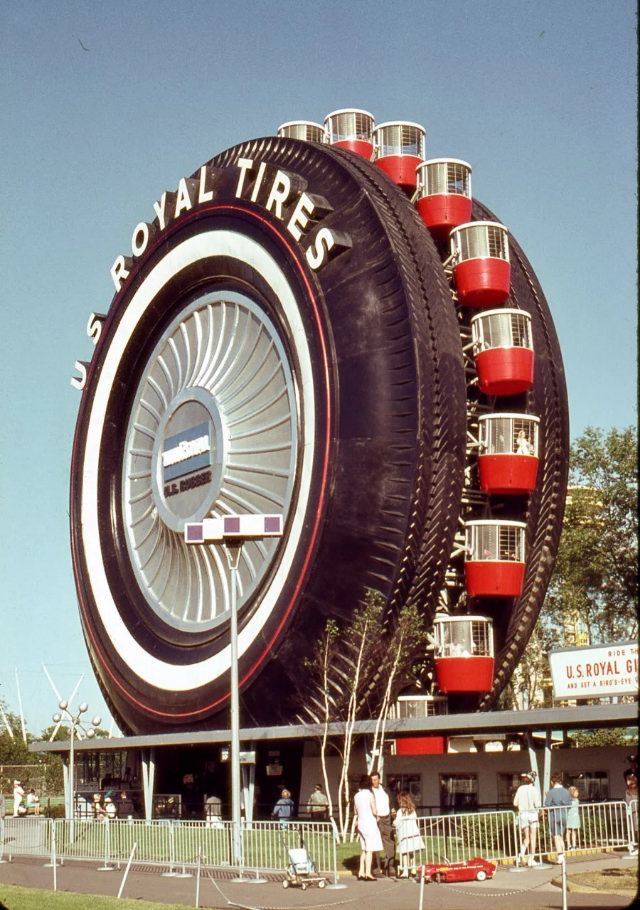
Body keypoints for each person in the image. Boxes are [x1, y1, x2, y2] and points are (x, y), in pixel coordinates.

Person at [354, 774, 382, 880]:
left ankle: (361, 872)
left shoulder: (356, 795)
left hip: (360, 823)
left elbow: (355, 811)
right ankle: (368, 873)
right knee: (370, 850)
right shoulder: (370, 795)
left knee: (364, 849)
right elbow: (374, 811)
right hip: (369, 823)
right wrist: (377, 816)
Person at [394, 792, 424, 878]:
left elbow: (402, 820)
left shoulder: (410, 811)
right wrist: (395, 822)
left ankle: (412, 868)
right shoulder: (401, 811)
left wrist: (398, 821)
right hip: (405, 835)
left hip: (410, 834)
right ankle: (406, 870)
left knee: (410, 852)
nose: (401, 804)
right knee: (406, 853)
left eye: (402, 802)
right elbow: (398, 821)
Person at [513, 771, 540, 866]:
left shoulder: (520, 789)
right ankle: (531, 859)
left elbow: (515, 803)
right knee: (533, 838)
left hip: (523, 814)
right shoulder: (534, 790)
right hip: (532, 814)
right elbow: (537, 804)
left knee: (526, 837)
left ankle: (521, 856)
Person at [371, 771, 395, 876]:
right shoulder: (370, 791)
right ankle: (376, 869)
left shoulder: (385, 790)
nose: (373, 782)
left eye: (375, 779)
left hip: (387, 818)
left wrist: (393, 809)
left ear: (379, 779)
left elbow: (392, 801)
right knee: (376, 844)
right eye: (372, 780)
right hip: (376, 819)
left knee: (390, 843)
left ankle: (390, 866)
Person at [544, 772, 572, 863]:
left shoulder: (551, 792)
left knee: (556, 836)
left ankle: (560, 856)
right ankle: (563, 855)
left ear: (552, 782)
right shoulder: (566, 791)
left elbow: (547, 805)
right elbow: (569, 804)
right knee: (561, 835)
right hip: (564, 814)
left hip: (554, 815)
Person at [624, 768, 638, 854]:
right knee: (632, 829)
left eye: (633, 778)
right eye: (629, 778)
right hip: (631, 813)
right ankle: (632, 844)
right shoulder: (628, 792)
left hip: (636, 812)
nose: (631, 780)